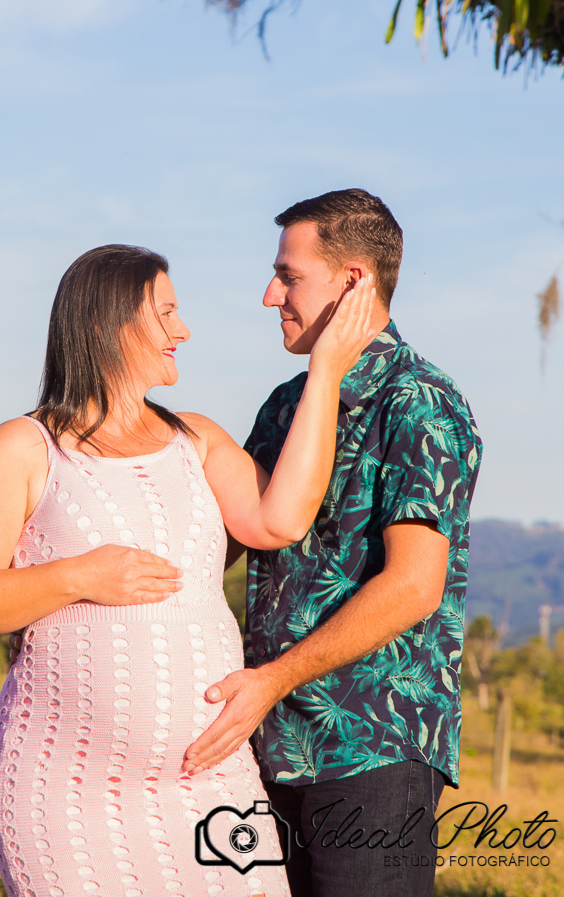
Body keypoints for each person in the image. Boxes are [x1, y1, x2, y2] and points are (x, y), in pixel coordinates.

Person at [0, 243, 376, 897]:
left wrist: (326, 371)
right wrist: (77, 577)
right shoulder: (25, 446)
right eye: (165, 313)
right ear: (108, 326)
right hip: (66, 791)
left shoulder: (196, 438)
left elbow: (280, 521)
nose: (182, 330)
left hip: (211, 785)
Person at [181, 190, 483, 897]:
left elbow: (414, 585)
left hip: (371, 754)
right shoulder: (286, 405)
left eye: (287, 275)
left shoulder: (420, 402)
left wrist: (272, 680)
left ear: (351, 281)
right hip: (261, 747)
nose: (268, 295)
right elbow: (220, 545)